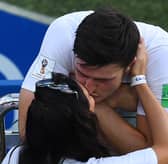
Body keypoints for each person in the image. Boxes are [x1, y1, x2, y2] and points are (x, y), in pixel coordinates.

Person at [19, 8, 168, 153]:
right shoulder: (63, 35)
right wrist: (100, 104)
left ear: (130, 66)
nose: (88, 87)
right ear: (74, 55)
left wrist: (139, 82)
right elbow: (27, 133)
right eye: (81, 73)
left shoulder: (162, 55)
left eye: (102, 80)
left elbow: (152, 154)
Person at [1, 70, 168, 164]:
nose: (92, 89)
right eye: (88, 96)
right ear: (83, 124)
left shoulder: (15, 157)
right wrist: (140, 79)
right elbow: (165, 151)